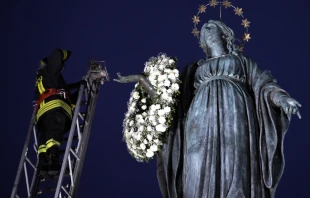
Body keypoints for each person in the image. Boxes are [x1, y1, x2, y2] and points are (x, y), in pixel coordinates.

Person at [115, 20, 301, 198]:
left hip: (235, 114)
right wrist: (143, 81)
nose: (206, 31)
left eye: (211, 27)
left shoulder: (242, 61)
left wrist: (282, 99)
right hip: (199, 117)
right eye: (203, 30)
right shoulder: (193, 69)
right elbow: (169, 102)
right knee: (196, 165)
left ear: (224, 33)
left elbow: (264, 84)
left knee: (235, 165)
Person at [35, 49, 82, 178]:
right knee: (54, 136)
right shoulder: (49, 71)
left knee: (45, 140)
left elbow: (67, 98)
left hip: (43, 114)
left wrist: (80, 88)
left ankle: (44, 165)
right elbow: (56, 54)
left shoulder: (45, 80)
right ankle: (53, 161)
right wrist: (66, 53)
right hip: (54, 108)